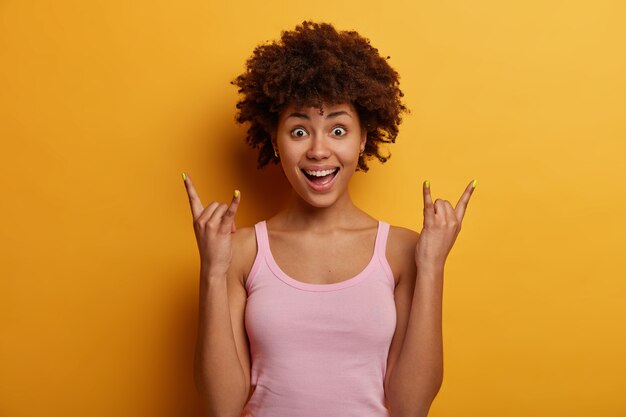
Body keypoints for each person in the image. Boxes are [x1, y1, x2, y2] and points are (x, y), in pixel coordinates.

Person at [182, 21, 477, 417]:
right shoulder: (239, 252)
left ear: (363, 140)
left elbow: (411, 406)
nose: (319, 150)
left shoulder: (403, 251)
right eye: (299, 130)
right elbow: (222, 407)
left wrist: (432, 266)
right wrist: (213, 272)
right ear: (275, 142)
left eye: (338, 129)